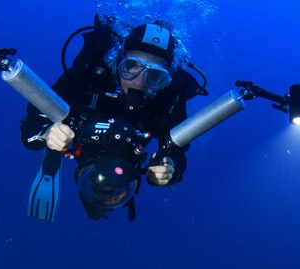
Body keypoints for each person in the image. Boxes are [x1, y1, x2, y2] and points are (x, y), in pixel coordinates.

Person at [20, 15, 204, 220]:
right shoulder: (89, 73)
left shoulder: (169, 98)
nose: (140, 82)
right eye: (132, 67)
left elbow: (177, 152)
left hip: (126, 170)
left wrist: (170, 170)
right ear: (119, 61)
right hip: (81, 145)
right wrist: (47, 132)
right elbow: (32, 122)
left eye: (155, 76)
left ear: (165, 79)